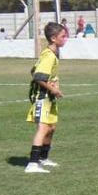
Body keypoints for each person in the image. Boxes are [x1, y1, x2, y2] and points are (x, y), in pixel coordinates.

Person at [25, 22, 67, 173]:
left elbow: (33, 70)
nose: (65, 38)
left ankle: (43, 158)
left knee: (51, 127)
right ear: (54, 38)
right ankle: (32, 163)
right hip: (42, 97)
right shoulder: (49, 55)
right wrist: (53, 89)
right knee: (43, 128)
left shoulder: (51, 53)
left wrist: (53, 82)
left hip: (49, 97)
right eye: (63, 36)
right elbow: (38, 77)